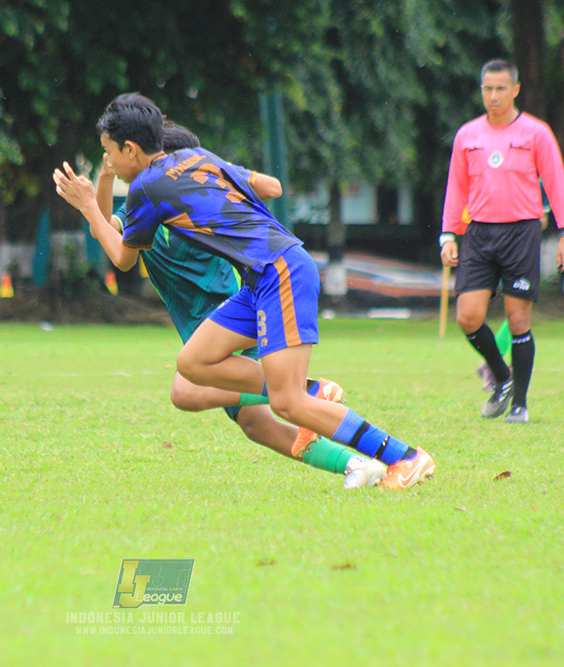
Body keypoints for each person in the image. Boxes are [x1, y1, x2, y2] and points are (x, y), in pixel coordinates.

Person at [54, 93, 434, 490]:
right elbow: (266, 187)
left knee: (288, 404)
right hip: (261, 277)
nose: (110, 162)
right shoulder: (197, 158)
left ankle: (404, 456)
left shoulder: (146, 187)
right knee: (192, 363)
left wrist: (88, 207)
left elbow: (122, 259)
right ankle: (313, 390)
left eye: (110, 152)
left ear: (130, 148)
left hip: (280, 272)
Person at [440, 59, 564, 424]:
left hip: (521, 232)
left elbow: (555, 182)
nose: (493, 96)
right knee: (467, 317)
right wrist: (448, 234)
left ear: (515, 89)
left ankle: (519, 403)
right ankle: (502, 376)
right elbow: (456, 186)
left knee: (518, 320)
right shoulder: (467, 135)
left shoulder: (536, 133)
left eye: (501, 88)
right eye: (487, 88)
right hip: (479, 234)